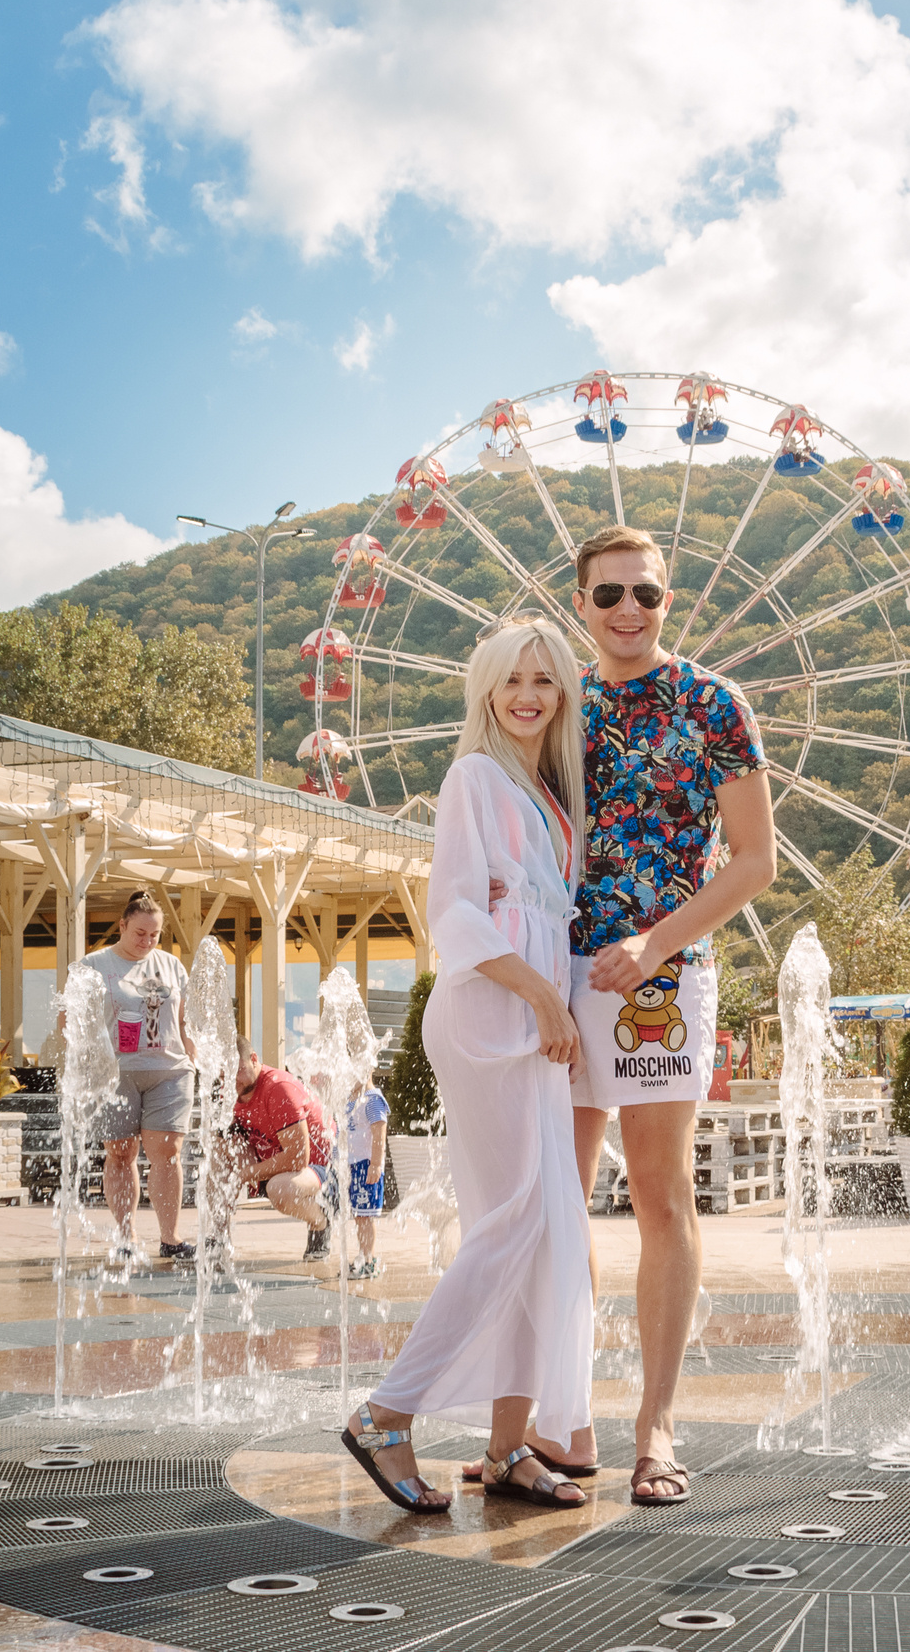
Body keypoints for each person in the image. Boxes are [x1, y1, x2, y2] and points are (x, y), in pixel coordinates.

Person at [342, 616, 595, 1516]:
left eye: (545, 680)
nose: (528, 695)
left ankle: (507, 1448)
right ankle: (387, 1412)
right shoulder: (474, 776)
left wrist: (557, 1003)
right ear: (486, 689)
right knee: (514, 1222)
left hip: (535, 1021)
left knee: (544, 1233)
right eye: (511, 679)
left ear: (563, 693)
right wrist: (543, 998)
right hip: (494, 1016)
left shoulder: (548, 791)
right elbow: (452, 909)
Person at [550, 525, 776, 1509]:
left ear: (667, 599)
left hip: (662, 977)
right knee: (555, 1200)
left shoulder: (715, 704)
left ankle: (656, 1425)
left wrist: (653, 942)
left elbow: (755, 861)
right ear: (580, 604)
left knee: (659, 1196)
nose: (627, 608)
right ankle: (562, 1417)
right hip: (556, 973)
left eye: (644, 591)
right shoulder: (553, 702)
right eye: (608, 594)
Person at [74, 890, 195, 1266]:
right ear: (122, 926)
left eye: (154, 934)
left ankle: (170, 1238)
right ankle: (126, 1236)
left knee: (168, 1153)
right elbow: (69, 1021)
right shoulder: (94, 965)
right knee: (121, 1153)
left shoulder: (171, 965)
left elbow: (186, 1020)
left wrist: (195, 1057)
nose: (147, 941)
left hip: (169, 1071)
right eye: (140, 933)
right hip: (115, 1073)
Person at [227, 1050, 335, 1260]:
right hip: (279, 1164)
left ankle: (320, 1221)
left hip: (324, 1167)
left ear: (254, 1059)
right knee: (218, 1163)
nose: (233, 1079)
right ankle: (217, 1240)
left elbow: (297, 1158)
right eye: (226, 1072)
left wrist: (245, 1174)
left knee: (281, 1189)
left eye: (238, 1069)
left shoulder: (278, 1088)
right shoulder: (229, 1092)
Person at [343, 1070, 390, 1279]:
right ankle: (363, 1256)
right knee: (359, 1215)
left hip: (366, 1165)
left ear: (369, 1069)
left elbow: (379, 1132)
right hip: (353, 1165)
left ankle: (368, 1260)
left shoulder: (372, 1099)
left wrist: (376, 1164)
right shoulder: (351, 1100)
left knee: (365, 1216)